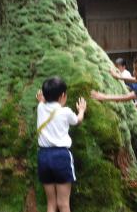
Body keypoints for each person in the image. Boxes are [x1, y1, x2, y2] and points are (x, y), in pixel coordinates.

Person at [91, 54, 137, 147]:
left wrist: (104, 97)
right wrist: (118, 77)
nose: (134, 72)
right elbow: (135, 80)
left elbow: (127, 97)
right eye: (134, 69)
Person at [36, 77, 86, 212]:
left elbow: (42, 101)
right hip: (61, 157)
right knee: (63, 204)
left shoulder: (40, 107)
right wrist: (81, 110)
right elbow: (77, 121)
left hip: (43, 156)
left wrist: (42, 98)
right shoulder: (66, 112)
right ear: (63, 96)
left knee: (51, 203)